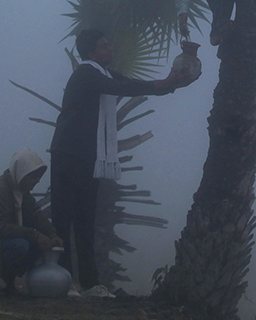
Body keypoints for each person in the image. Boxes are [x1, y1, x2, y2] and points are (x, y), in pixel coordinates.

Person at [49, 28, 197, 294]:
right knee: (62, 219)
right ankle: (63, 279)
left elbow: (131, 84)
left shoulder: (102, 74)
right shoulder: (86, 74)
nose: (111, 50)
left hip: (88, 158)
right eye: (105, 46)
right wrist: (165, 84)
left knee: (85, 221)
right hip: (68, 155)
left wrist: (169, 84)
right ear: (92, 51)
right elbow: (121, 88)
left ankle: (90, 283)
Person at [0, 148, 63, 296]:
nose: (37, 181)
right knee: (20, 246)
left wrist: (52, 234)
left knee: (41, 245)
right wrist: (35, 235)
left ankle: (6, 280)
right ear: (22, 173)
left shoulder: (22, 193)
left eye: (38, 177)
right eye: (33, 177)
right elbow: (0, 228)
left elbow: (36, 216)